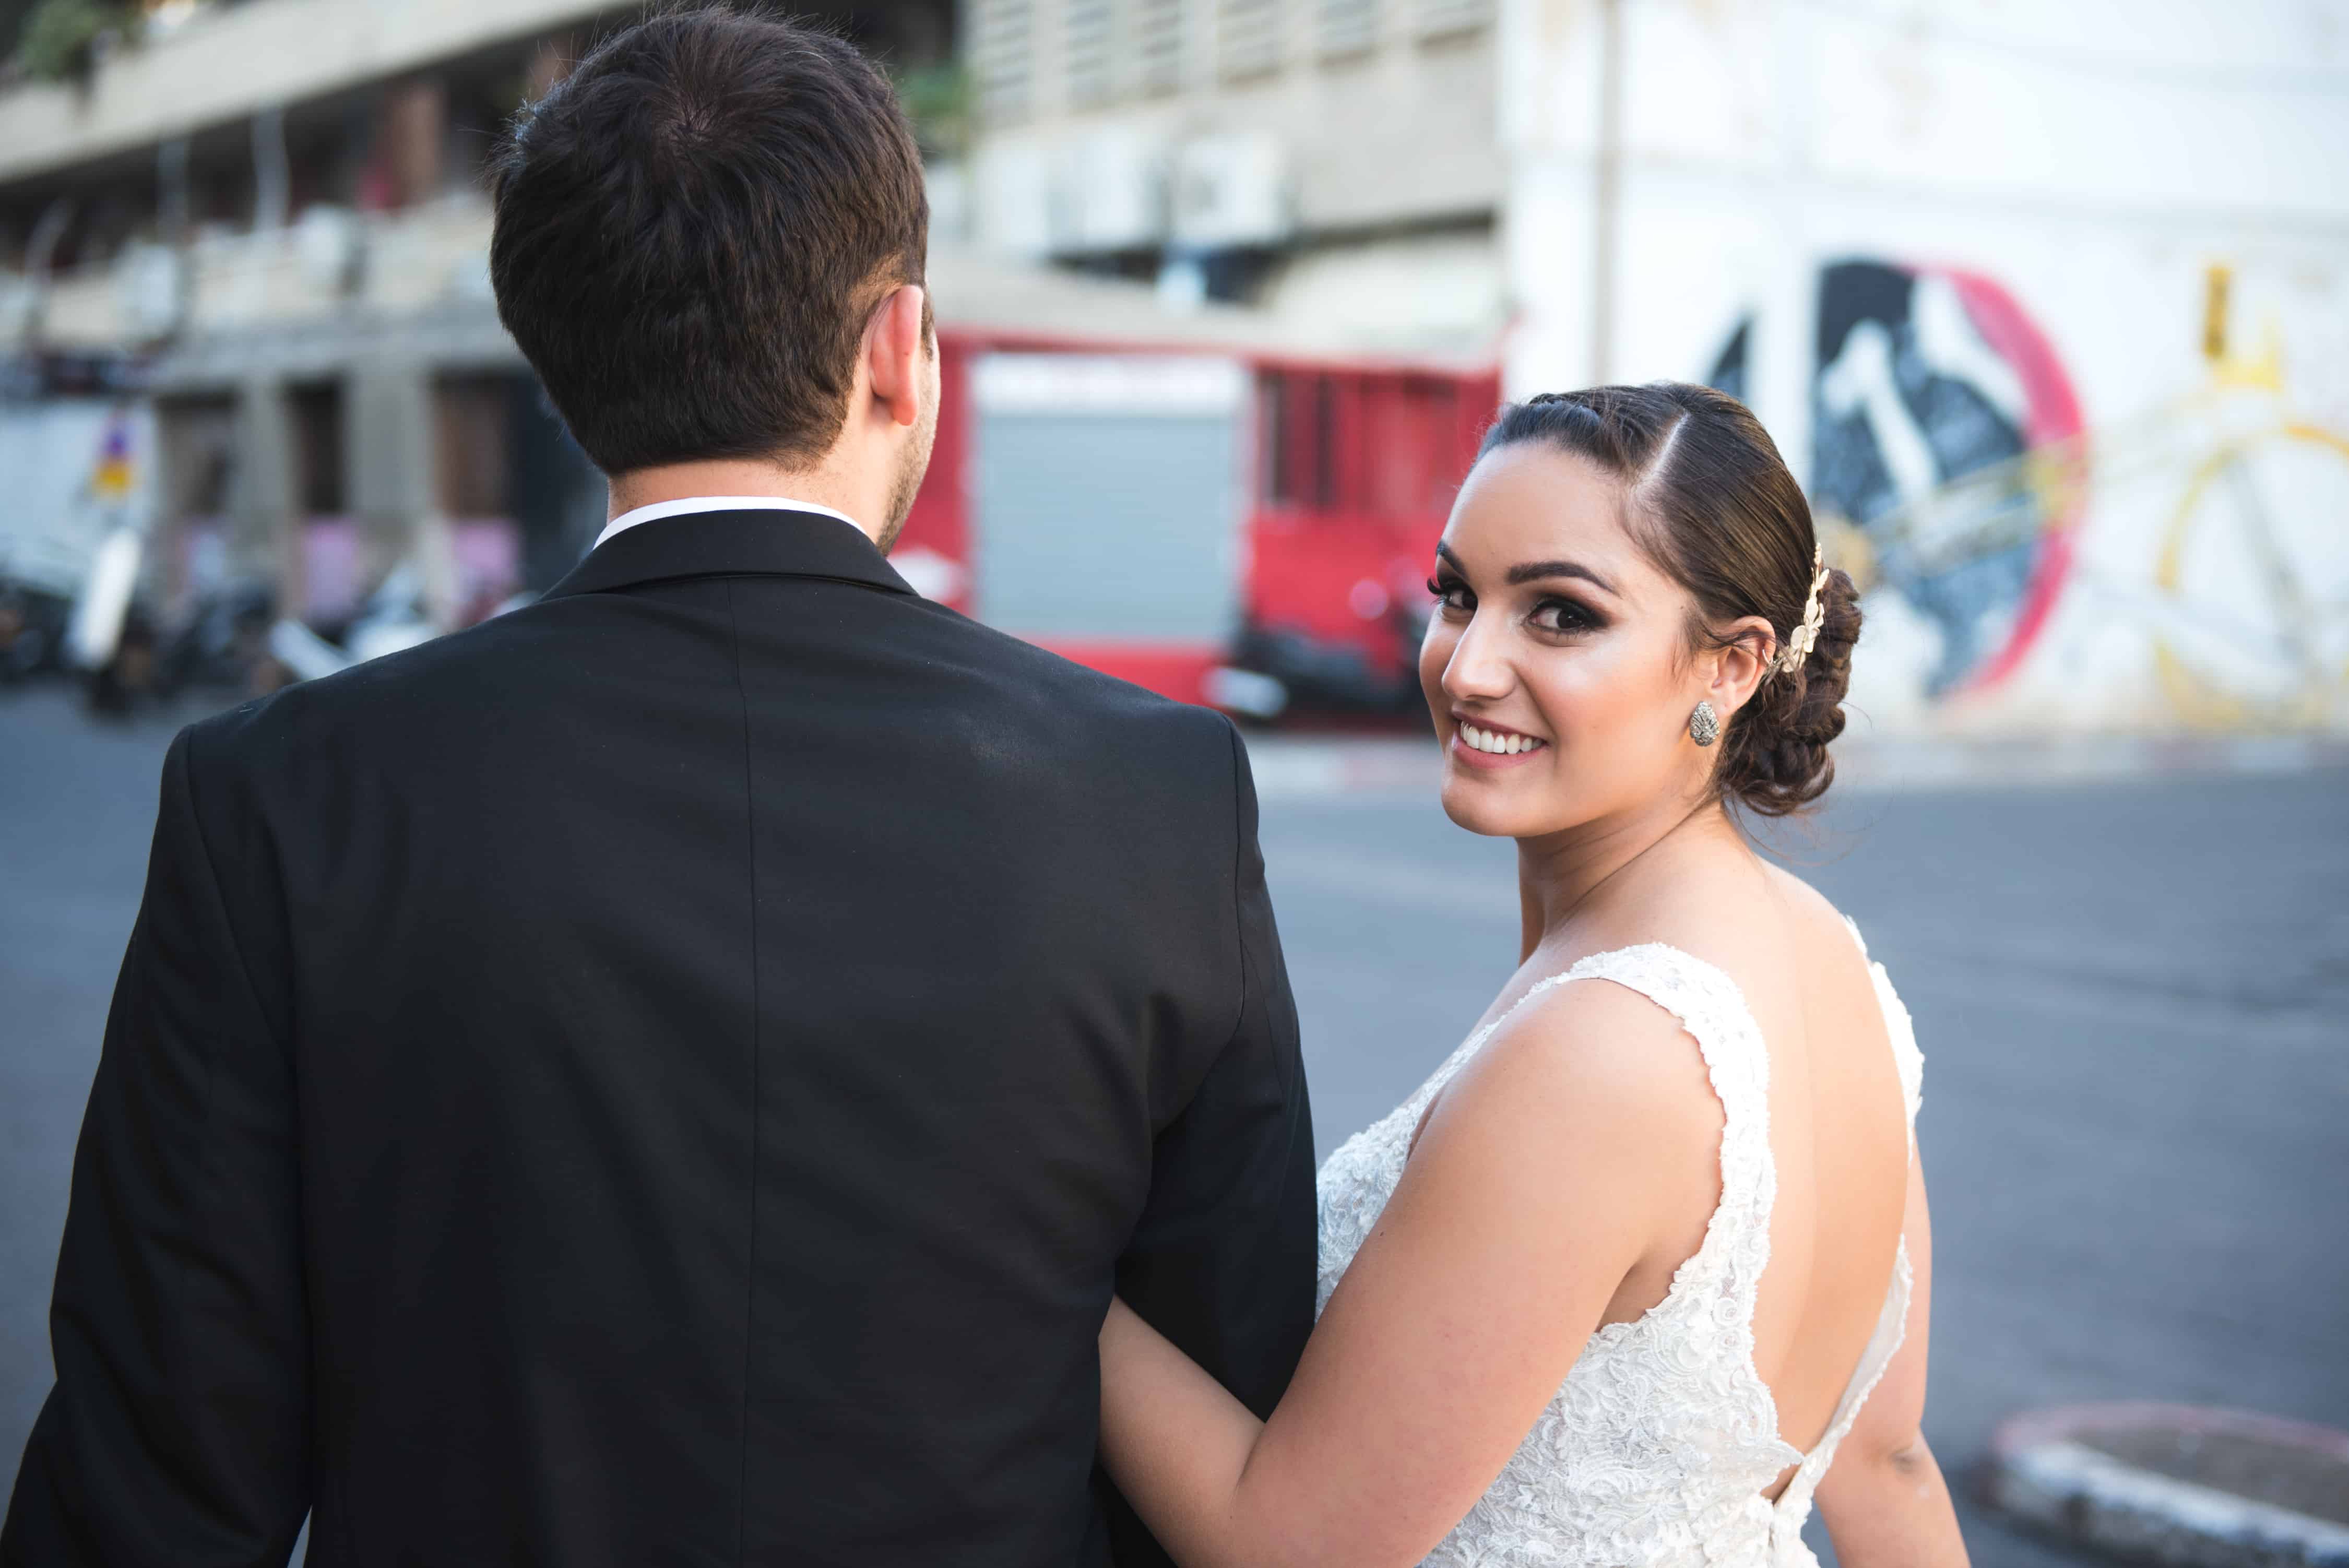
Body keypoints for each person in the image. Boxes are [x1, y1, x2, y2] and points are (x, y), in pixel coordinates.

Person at [1, 10, 1315, 1565]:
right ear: (896, 347)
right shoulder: (1159, 792)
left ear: (557, 365)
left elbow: (152, 1481)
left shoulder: (283, 794)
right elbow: (1222, 1405)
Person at [1095, 384, 1972, 1567]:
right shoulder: (1832, 962)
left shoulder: (1605, 1050)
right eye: (1457, 594)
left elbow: (1288, 1549)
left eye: (1561, 614)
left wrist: (1045, 1260)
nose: (1467, 667)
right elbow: (1888, 1465)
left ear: (1731, 665)